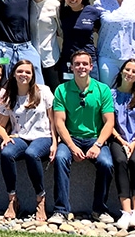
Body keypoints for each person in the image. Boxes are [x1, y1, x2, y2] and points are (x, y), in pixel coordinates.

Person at [49, 51, 115, 224]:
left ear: (91, 67)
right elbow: (59, 122)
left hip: (95, 138)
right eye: (77, 64)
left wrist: (98, 145)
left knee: (106, 163)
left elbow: (109, 123)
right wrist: (71, 146)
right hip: (71, 138)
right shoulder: (62, 90)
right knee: (61, 158)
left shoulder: (103, 89)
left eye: (85, 64)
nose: (81, 67)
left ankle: (99, 209)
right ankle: (60, 210)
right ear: (72, 67)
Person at [0, 60, 56, 221]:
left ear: (33, 75)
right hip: (19, 136)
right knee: (7, 153)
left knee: (31, 154)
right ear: (14, 74)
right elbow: (0, 126)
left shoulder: (43, 91)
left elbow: (53, 120)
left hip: (43, 136)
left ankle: (40, 199)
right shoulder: (8, 96)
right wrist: (6, 137)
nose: (24, 75)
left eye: (28, 72)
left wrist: (55, 142)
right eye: (20, 71)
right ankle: (12, 200)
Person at [109, 59, 135, 230]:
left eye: (134, 71)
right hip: (117, 139)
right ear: (121, 71)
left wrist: (133, 143)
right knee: (120, 161)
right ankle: (126, 212)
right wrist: (122, 142)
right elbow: (108, 124)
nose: (130, 74)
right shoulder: (111, 95)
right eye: (127, 69)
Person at [93, 0, 135, 87]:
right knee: (108, 93)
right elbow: (94, 26)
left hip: (131, 57)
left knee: (130, 93)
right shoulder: (100, 3)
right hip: (107, 57)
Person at [59, 0, 101, 81]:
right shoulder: (62, 12)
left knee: (92, 91)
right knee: (69, 91)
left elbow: (99, 29)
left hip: (89, 59)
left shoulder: (92, 12)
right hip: (69, 60)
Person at [28, 0, 63, 89]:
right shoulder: (26, 5)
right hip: (30, 56)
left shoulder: (55, 5)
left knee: (53, 91)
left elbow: (61, 30)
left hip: (51, 57)